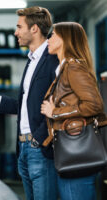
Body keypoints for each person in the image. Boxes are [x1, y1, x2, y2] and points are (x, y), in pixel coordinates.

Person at [0, 6, 58, 200]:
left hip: (40, 148)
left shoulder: (53, 59)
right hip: (23, 148)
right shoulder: (31, 60)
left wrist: (39, 138)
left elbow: (59, 102)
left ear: (34, 28)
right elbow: (27, 106)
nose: (15, 32)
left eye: (19, 27)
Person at [41, 22, 107, 200]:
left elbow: (94, 105)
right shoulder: (64, 68)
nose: (49, 39)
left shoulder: (74, 67)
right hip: (70, 153)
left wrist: (55, 112)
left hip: (78, 154)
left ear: (65, 39)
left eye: (53, 35)